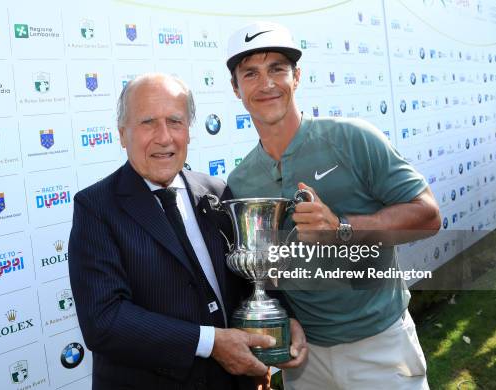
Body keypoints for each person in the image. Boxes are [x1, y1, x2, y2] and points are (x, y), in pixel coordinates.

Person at [225, 22, 441, 390]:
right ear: (236, 88)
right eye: (251, 73)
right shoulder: (241, 181)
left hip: (379, 343)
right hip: (304, 356)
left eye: (277, 68)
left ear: (297, 77)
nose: (267, 83)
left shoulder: (353, 138)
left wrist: (341, 228)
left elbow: (429, 217)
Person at [68, 73, 306, 390]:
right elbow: (105, 321)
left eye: (175, 122)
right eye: (148, 122)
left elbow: (252, 278)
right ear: (123, 134)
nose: (164, 137)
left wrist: (283, 320)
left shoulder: (218, 193)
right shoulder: (96, 208)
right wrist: (210, 342)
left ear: (189, 132)